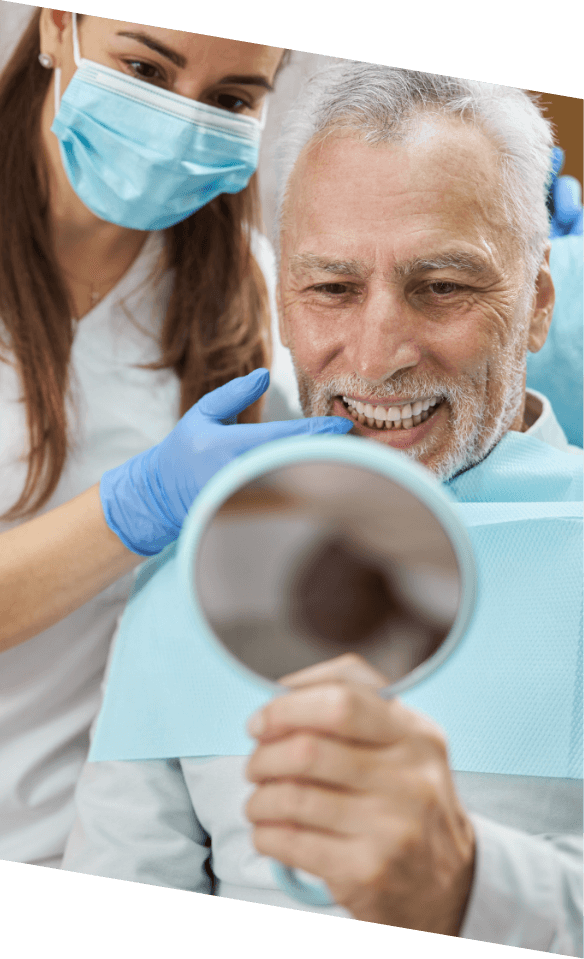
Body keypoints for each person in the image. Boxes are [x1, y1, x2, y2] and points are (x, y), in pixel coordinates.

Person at [59, 65, 583, 950]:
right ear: (283, 302)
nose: (376, 355)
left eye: (443, 286)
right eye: (332, 289)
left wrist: (467, 883)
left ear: (535, 304)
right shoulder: (191, 579)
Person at [0, 12, 352, 870]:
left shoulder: (251, 295)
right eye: (147, 71)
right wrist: (138, 505)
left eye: (231, 97)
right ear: (56, 27)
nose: (182, 122)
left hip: (109, 839)